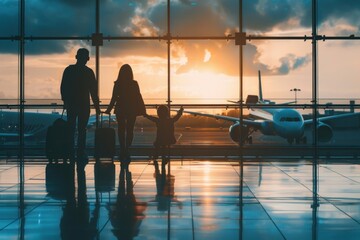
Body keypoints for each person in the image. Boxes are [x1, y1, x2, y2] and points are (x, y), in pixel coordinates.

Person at [61, 48, 100, 166]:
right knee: (82, 130)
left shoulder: (69, 70)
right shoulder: (89, 72)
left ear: (76, 57)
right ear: (87, 59)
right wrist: (97, 107)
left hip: (71, 104)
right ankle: (80, 152)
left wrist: (66, 101)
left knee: (70, 129)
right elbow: (93, 92)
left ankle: (69, 152)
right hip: (84, 105)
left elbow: (63, 88)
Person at [104, 64, 146, 162]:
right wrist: (143, 109)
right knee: (130, 130)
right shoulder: (134, 83)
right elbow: (138, 96)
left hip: (120, 108)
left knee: (121, 130)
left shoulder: (117, 83)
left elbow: (113, 98)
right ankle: (127, 149)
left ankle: (122, 149)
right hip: (132, 109)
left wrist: (108, 109)